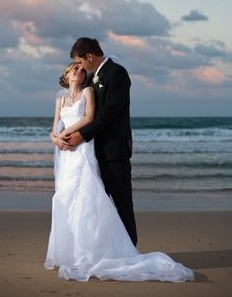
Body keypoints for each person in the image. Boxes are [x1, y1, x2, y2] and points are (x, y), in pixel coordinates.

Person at [44, 60, 194, 282]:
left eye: (82, 69)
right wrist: (57, 139)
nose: (79, 70)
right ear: (66, 74)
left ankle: (92, 251)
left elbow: (89, 118)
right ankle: (70, 251)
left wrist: (70, 134)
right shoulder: (60, 99)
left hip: (82, 148)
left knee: (86, 197)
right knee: (65, 197)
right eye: (74, 68)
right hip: (67, 153)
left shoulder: (88, 91)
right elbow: (54, 126)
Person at [60, 37, 137, 246]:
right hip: (92, 155)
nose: (80, 67)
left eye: (81, 62)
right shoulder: (93, 78)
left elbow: (109, 113)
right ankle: (102, 250)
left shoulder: (117, 73)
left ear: (89, 56)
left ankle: (129, 251)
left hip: (113, 151)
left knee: (122, 204)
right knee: (98, 208)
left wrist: (81, 135)